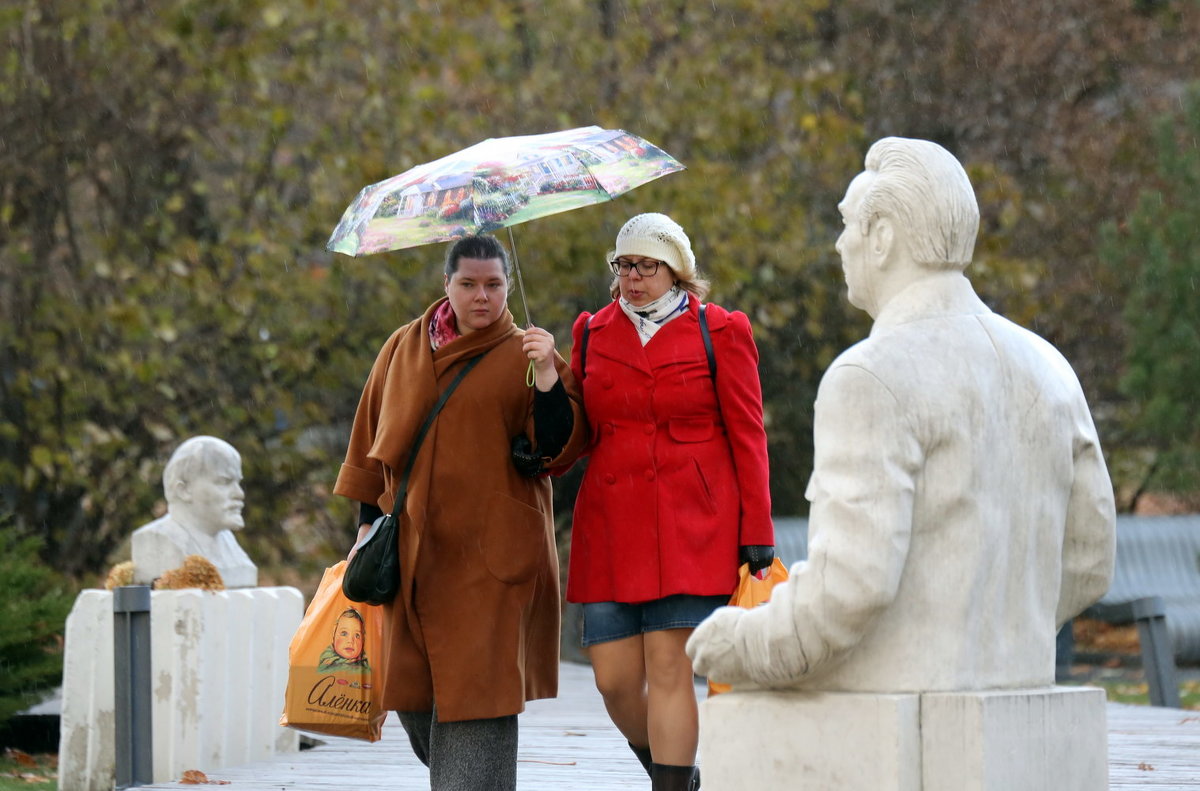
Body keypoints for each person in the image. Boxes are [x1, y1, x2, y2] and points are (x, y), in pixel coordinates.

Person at [687, 137, 1116, 695]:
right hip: (1020, 679)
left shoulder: (871, 375)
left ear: (884, 237)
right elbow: (1089, 558)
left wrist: (739, 641)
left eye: (848, 225)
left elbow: (850, 589)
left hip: (899, 702)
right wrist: (992, 630)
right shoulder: (1049, 365)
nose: (840, 245)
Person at [332, 233, 586, 791]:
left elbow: (558, 447)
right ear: (446, 285)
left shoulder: (527, 352)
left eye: (494, 285)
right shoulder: (403, 347)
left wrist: (547, 375)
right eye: (468, 284)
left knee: (481, 699)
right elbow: (369, 439)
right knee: (416, 696)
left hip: (494, 557)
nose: (481, 297)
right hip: (415, 553)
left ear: (507, 287)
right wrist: (365, 526)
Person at [566, 213, 774, 791]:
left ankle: (671, 784)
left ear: (675, 270)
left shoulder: (721, 330)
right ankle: (674, 771)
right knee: (612, 680)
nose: (633, 277)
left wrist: (756, 527)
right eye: (624, 265)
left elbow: (748, 433)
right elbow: (577, 432)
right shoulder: (591, 333)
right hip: (610, 527)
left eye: (646, 266)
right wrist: (543, 378)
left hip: (692, 524)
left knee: (668, 667)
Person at [131, 435, 258, 587]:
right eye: (224, 482)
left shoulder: (229, 544)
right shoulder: (154, 540)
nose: (239, 494)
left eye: (238, 482)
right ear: (184, 490)